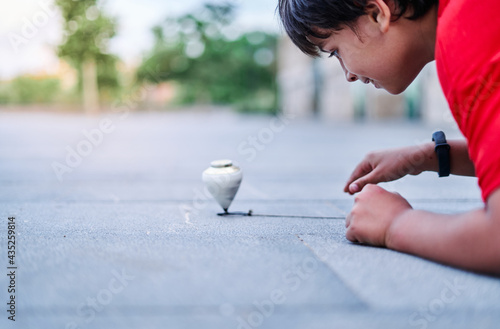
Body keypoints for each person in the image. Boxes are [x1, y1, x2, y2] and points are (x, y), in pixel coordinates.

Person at [277, 0, 500, 274]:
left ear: (376, 14)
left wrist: (395, 225)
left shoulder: (464, 36)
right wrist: (431, 156)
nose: (347, 75)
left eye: (335, 52)